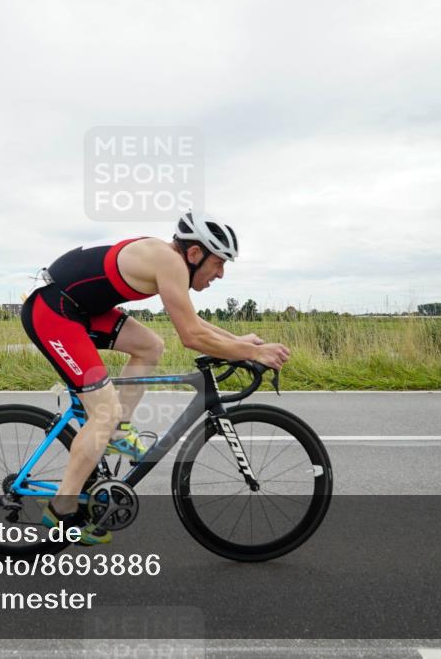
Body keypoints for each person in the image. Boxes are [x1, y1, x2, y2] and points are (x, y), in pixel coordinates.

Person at [20, 209, 291, 544]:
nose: (220, 273)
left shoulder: (168, 260)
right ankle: (61, 510)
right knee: (105, 413)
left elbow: (193, 322)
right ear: (195, 253)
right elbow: (192, 336)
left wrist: (237, 342)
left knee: (150, 346)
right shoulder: (169, 261)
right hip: (54, 312)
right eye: (218, 262)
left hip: (79, 308)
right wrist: (252, 353)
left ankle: (118, 432)